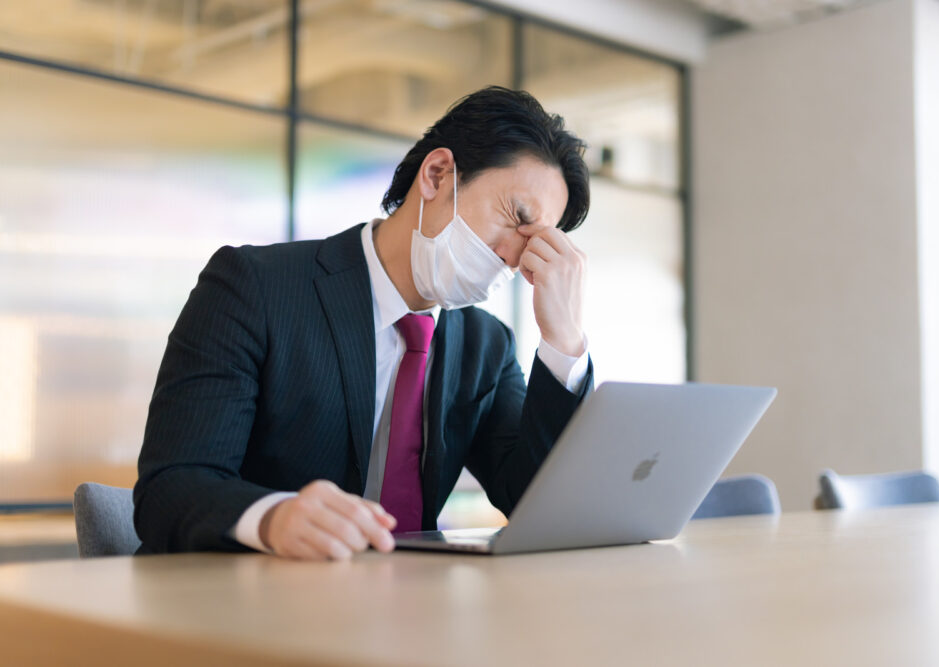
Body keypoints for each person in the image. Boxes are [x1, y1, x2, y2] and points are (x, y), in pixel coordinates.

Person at [133, 86, 594, 560]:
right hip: (256, 604)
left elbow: (535, 503)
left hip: (411, 613)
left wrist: (564, 341)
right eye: (517, 218)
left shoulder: (486, 345)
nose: (518, 257)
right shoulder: (255, 288)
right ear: (437, 175)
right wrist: (273, 518)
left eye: (538, 239)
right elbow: (171, 487)